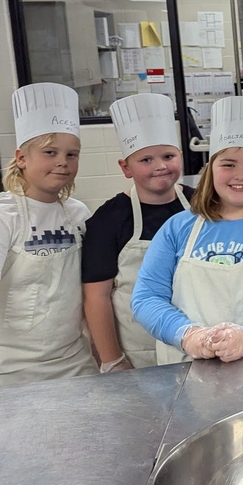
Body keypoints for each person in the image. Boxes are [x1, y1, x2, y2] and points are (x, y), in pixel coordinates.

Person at [132, 96, 243, 364]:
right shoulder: (177, 228)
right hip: (185, 367)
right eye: (228, 164)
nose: (241, 175)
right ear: (210, 170)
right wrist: (188, 335)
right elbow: (147, 298)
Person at [0, 83, 95, 387]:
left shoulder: (78, 214)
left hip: (74, 364)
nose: (63, 161)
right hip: (7, 373)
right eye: (50, 152)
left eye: (72, 154)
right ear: (21, 158)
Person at [82, 93, 193, 372]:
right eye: (146, 159)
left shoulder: (201, 204)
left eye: (168, 156)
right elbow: (97, 296)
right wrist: (112, 359)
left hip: (196, 344)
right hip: (139, 354)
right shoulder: (109, 219)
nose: (160, 166)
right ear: (125, 167)